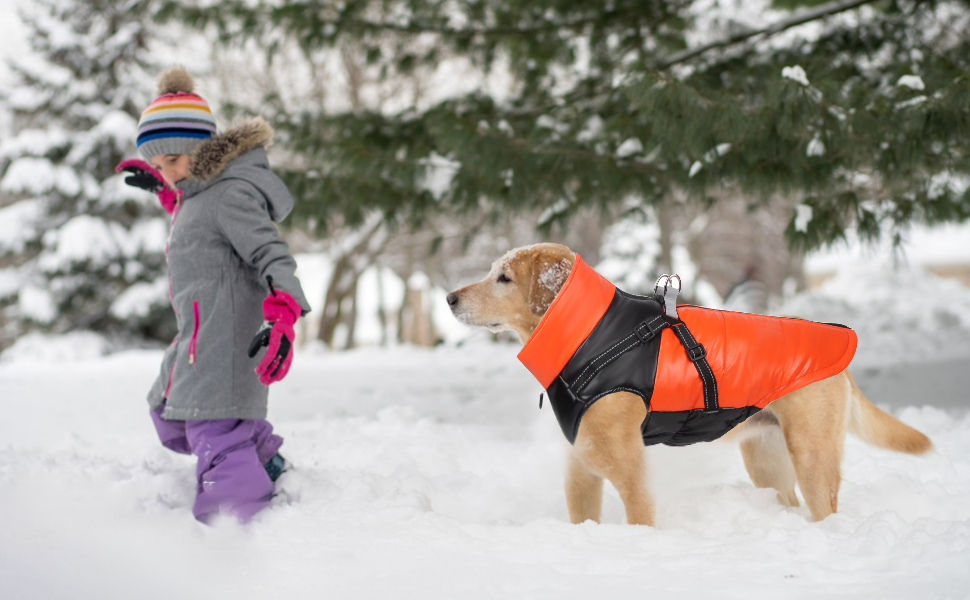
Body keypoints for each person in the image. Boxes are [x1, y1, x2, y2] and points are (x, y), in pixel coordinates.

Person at [117, 66, 311, 524]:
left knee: (213, 430)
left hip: (225, 341)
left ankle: (234, 529)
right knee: (167, 413)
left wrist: (283, 317)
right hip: (197, 337)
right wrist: (167, 196)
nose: (167, 174)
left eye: (172, 163)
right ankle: (262, 457)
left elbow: (271, 254)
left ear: (201, 149)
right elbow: (205, 233)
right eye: (160, 167)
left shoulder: (231, 194)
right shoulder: (197, 193)